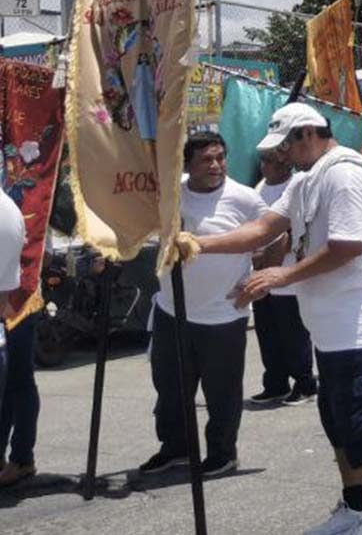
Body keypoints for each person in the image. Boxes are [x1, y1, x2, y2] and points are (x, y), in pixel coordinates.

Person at [194, 103, 362, 535]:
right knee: (338, 421)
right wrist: (197, 244)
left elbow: (348, 245)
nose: (282, 156)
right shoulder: (307, 179)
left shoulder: (345, 174)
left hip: (359, 323)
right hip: (328, 327)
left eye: (287, 145)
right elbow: (262, 229)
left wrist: (283, 274)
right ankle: (354, 504)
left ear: (309, 133)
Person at [138, 133, 266, 479]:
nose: (216, 165)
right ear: (188, 164)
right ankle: (176, 449)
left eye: (221, 157)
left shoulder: (245, 199)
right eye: (206, 160)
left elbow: (274, 237)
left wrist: (260, 283)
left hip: (223, 316)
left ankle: (222, 454)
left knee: (222, 393)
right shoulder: (171, 190)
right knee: (170, 390)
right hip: (171, 310)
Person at [250, 148, 316, 406]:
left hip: (287, 278)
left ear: (285, 163)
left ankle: (305, 384)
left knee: (294, 335)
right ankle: (275, 383)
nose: (265, 165)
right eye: (263, 160)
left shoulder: (295, 187)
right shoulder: (259, 187)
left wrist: (270, 256)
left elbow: (294, 232)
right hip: (260, 274)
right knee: (268, 334)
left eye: (271, 161)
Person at [0, 187, 36, 487]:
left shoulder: (36, 172)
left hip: (24, 291)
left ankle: (22, 458)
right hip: (9, 287)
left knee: (18, 378)